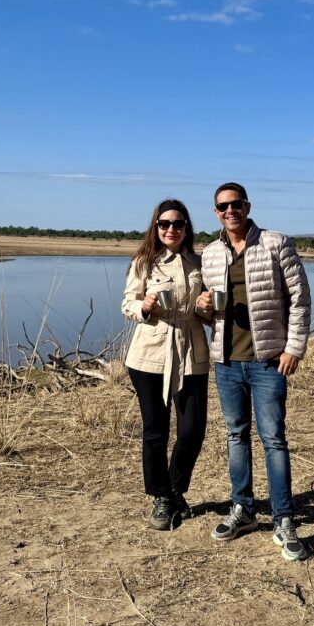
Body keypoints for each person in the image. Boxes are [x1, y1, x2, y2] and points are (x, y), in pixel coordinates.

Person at [196, 182, 312, 561]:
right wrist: (201, 306)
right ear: (215, 212)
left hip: (267, 362)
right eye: (222, 206)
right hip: (227, 362)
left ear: (247, 206)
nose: (230, 211)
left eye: (236, 204)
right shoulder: (211, 253)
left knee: (274, 439)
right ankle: (243, 509)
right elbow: (207, 312)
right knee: (235, 435)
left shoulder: (276, 243)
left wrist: (294, 347)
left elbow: (300, 298)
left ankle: (283, 519)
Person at [121, 199, 210, 530]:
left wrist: (207, 308)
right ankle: (161, 497)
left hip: (192, 353)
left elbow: (208, 312)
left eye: (178, 223)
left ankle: (175, 488)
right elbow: (127, 304)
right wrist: (143, 305)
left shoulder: (199, 263)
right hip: (150, 354)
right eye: (164, 224)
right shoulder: (144, 263)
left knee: (192, 431)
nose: (171, 229)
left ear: (187, 228)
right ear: (155, 227)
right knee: (155, 431)